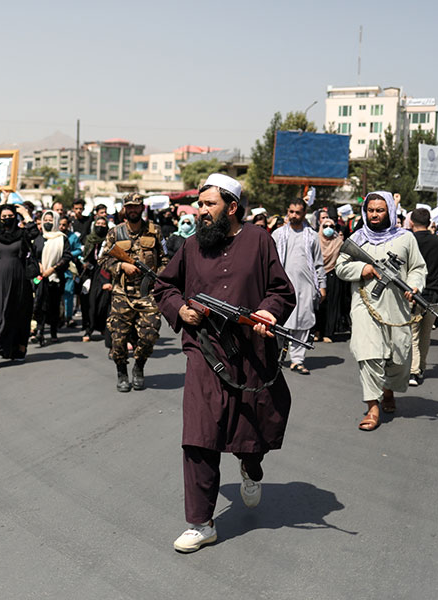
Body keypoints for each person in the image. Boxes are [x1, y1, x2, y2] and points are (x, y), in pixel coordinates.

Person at [153, 173, 295, 552]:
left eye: (208, 204)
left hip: (250, 353)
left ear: (232, 208)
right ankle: (201, 523)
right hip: (204, 352)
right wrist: (181, 310)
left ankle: (250, 467)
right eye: (199, 204)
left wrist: (267, 313)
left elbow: (280, 290)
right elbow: (164, 286)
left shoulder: (259, 240)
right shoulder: (190, 245)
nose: (200, 211)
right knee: (199, 435)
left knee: (252, 430)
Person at [335, 191, 426, 431]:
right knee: (368, 355)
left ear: (389, 212)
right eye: (371, 210)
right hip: (364, 307)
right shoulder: (356, 240)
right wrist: (363, 268)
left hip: (397, 308)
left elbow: (417, 267)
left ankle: (388, 390)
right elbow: (340, 268)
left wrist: (415, 285)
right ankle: (372, 407)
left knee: (398, 357)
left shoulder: (405, 239)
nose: (374, 215)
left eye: (380, 210)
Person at [99, 193, 165, 392]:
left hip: (147, 294)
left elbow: (164, 259)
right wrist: (121, 266)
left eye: (136, 207)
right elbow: (103, 259)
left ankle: (139, 367)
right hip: (122, 294)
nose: (133, 210)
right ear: (124, 209)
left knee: (150, 334)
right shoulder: (115, 233)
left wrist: (157, 275)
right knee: (118, 339)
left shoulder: (155, 231)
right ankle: (121, 372)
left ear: (142, 208)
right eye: (129, 207)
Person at [0, 203, 38, 368]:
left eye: (10, 216)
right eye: (3, 217)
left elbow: (35, 233)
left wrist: (26, 215)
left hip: (20, 278)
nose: (6, 220)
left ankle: (18, 349)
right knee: (0, 314)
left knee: (19, 313)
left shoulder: (22, 234)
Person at [272, 198, 325, 374]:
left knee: (303, 323)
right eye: (291, 212)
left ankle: (297, 360)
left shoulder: (311, 236)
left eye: (298, 212)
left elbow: (318, 264)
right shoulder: (278, 234)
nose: (294, 215)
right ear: (287, 211)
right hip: (282, 287)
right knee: (279, 323)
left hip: (305, 287)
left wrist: (322, 285)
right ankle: (274, 359)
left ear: (304, 214)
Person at [408, 208, 438, 386]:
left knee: (412, 334)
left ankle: (413, 371)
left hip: (414, 292)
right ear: (430, 222)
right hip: (433, 293)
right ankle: (421, 367)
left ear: (411, 222)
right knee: (425, 334)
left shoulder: (409, 241)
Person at [32, 210, 73, 346]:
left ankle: (54, 331)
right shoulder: (39, 238)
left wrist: (53, 268)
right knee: (39, 304)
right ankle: (40, 331)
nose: (48, 223)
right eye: (46, 220)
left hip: (55, 278)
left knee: (53, 305)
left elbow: (67, 257)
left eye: (50, 220)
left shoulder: (62, 239)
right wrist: (39, 265)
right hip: (40, 277)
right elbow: (33, 255)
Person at [315, 213, 344, 343]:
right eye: (325, 226)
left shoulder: (338, 242)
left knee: (332, 304)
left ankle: (328, 332)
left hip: (333, 274)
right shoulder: (315, 240)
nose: (328, 228)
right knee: (318, 305)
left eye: (331, 226)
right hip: (317, 275)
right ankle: (316, 331)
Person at [80, 215, 110, 342]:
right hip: (90, 274)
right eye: (98, 223)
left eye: (103, 224)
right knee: (90, 303)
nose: (100, 226)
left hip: (105, 272)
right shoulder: (89, 239)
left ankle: (102, 327)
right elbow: (85, 256)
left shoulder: (109, 240)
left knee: (103, 302)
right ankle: (89, 329)